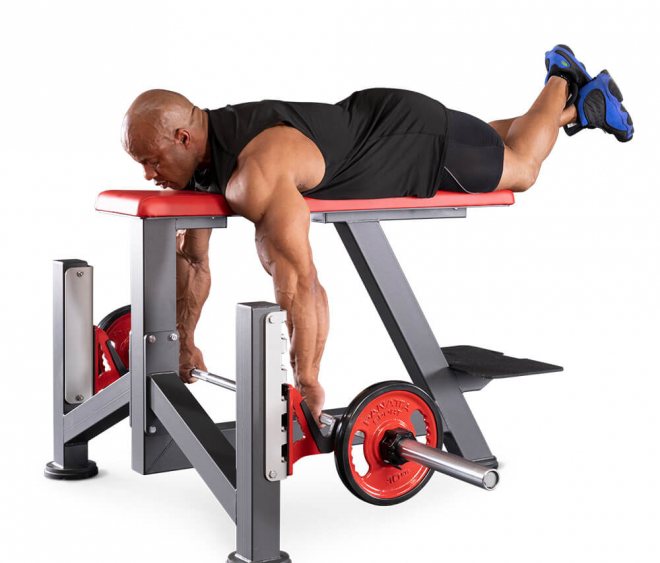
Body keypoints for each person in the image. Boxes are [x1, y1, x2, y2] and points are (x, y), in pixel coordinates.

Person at [121, 44, 633, 426]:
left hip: (409, 142)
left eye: (151, 160)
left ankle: (562, 78)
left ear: (183, 137)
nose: (148, 174)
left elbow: (299, 280)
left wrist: (307, 383)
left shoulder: (257, 172)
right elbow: (193, 260)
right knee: (493, 143)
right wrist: (184, 343)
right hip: (376, 119)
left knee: (520, 168)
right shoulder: (205, 154)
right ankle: (584, 106)